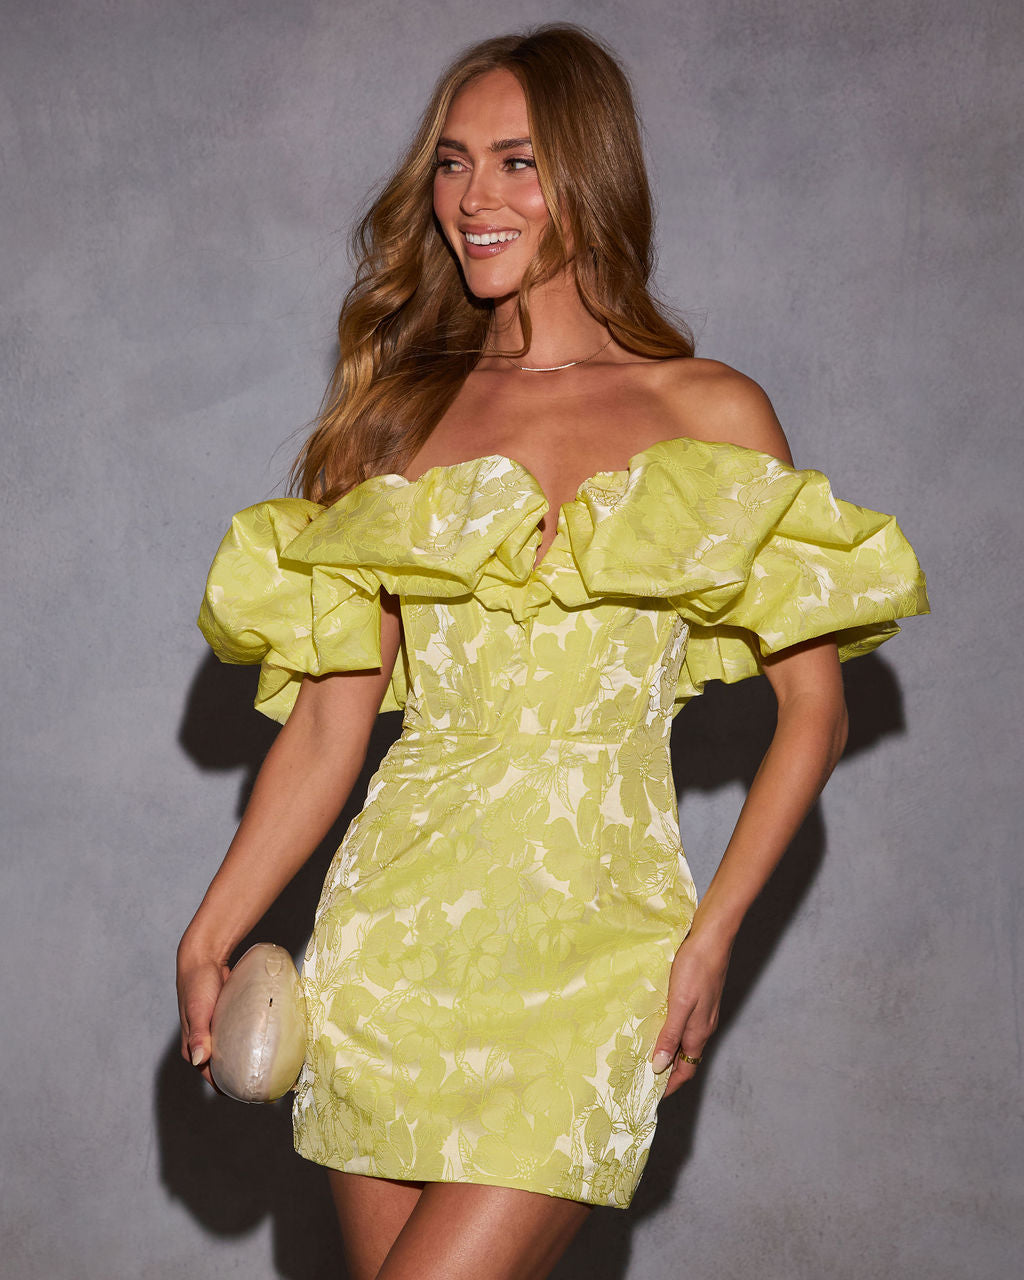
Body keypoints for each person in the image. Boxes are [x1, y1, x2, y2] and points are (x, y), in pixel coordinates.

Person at [176, 22, 929, 1280]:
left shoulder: (709, 411)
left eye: (517, 161)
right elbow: (328, 725)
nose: (475, 197)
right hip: (390, 941)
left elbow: (817, 712)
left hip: (599, 946)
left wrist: (711, 936)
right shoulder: (395, 422)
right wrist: (211, 930)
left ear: (590, 172)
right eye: (453, 161)